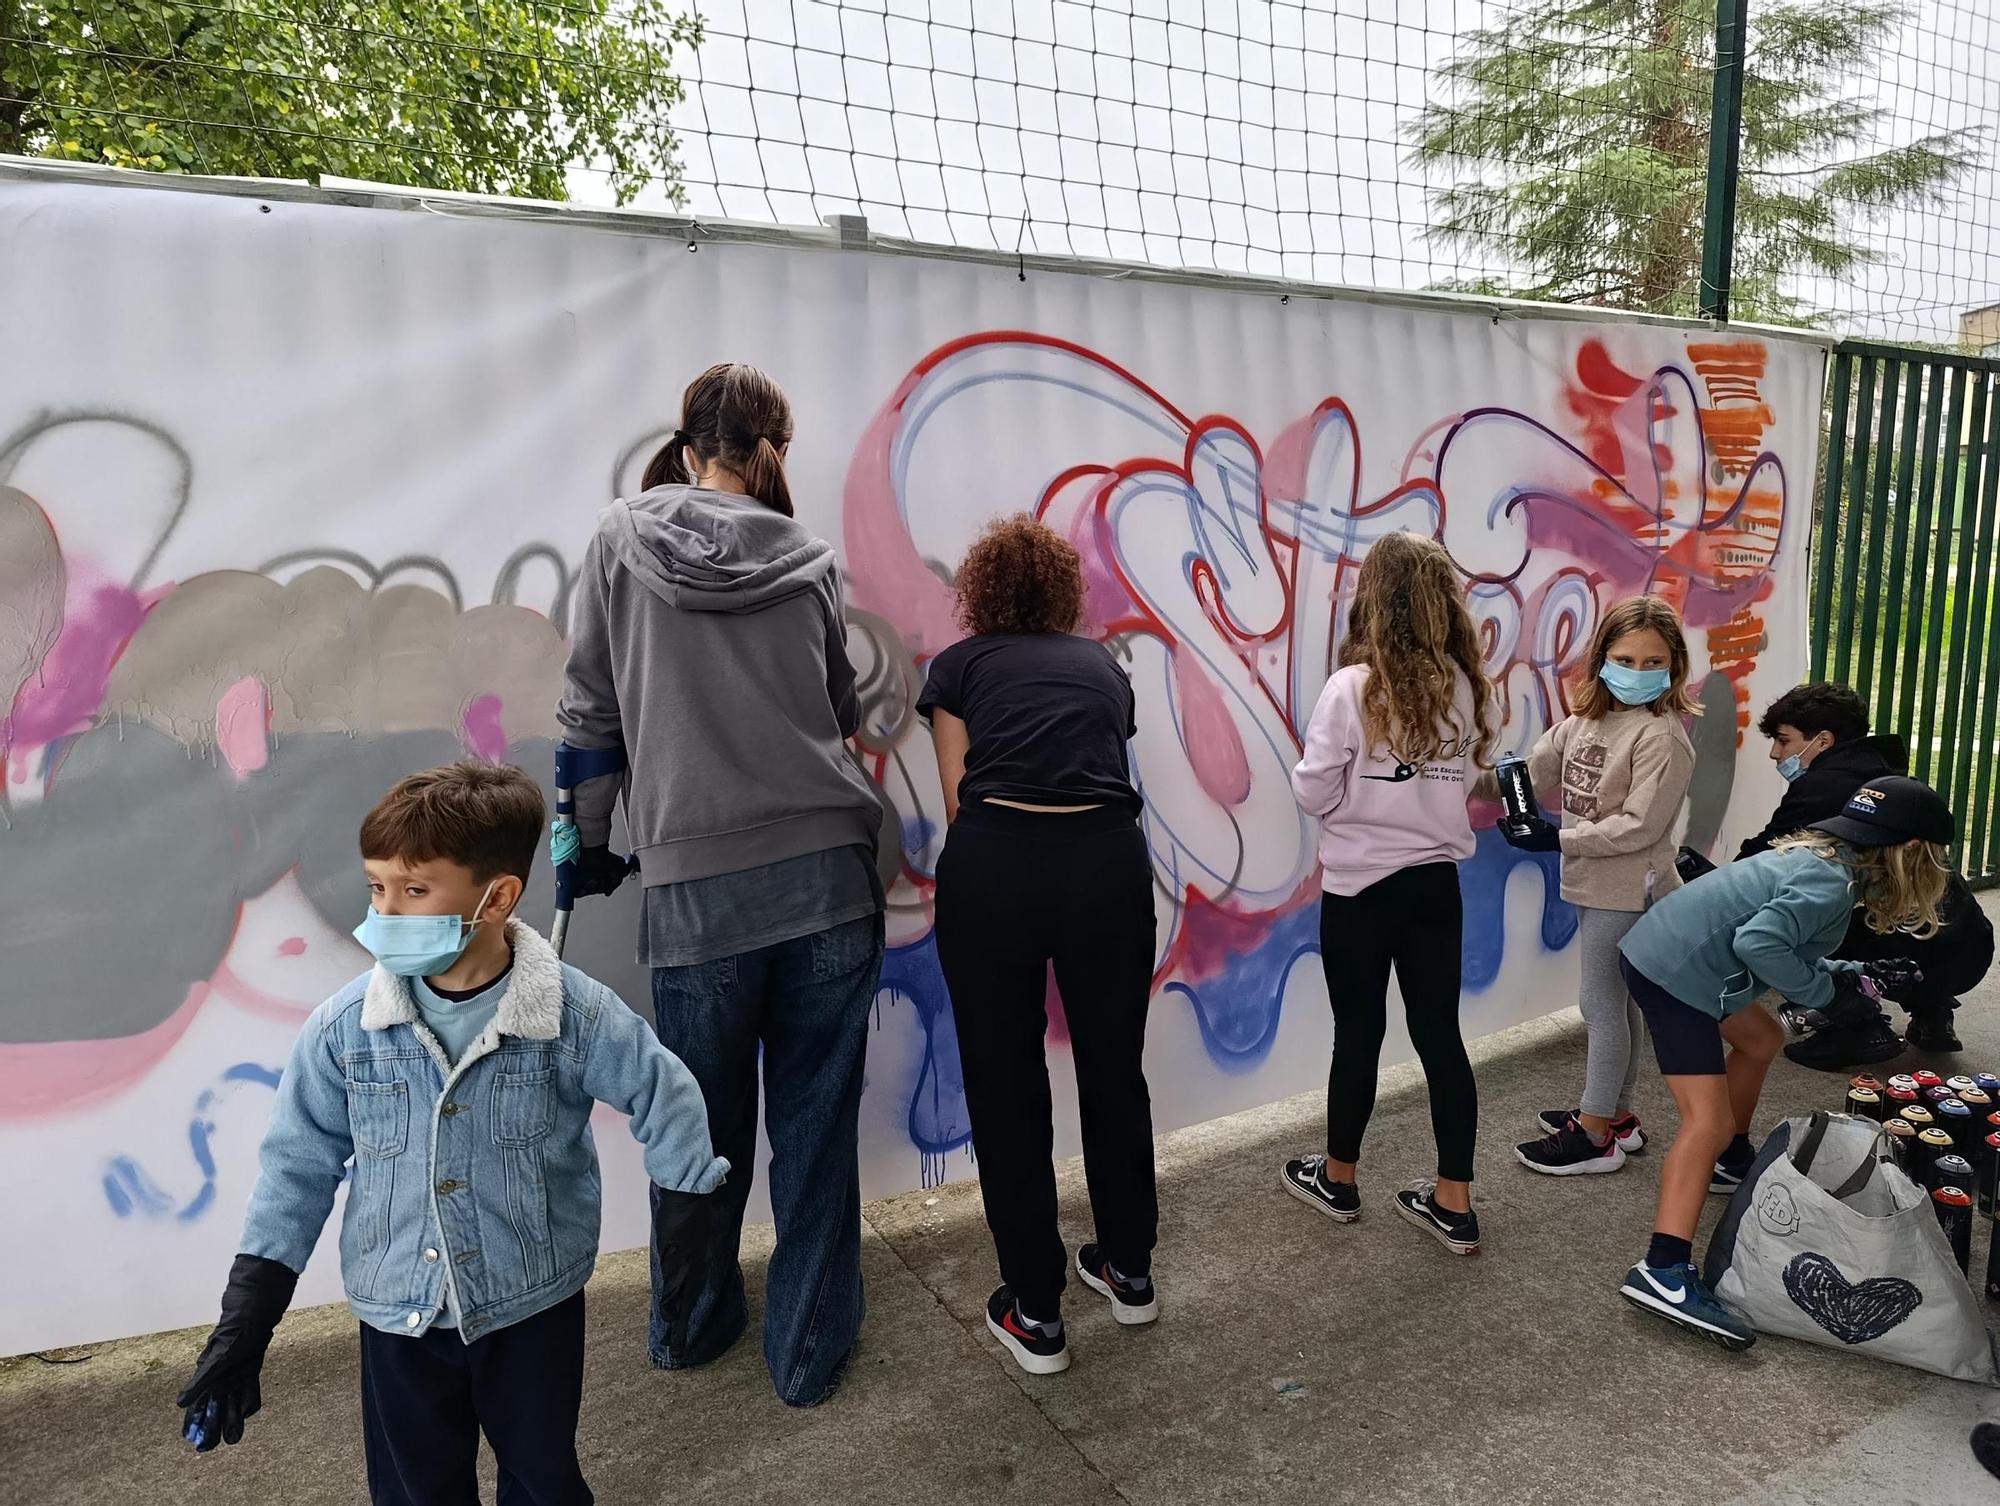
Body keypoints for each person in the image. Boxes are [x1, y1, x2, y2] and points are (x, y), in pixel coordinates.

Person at [174, 762, 727, 1503]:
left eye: (414, 890)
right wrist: (247, 1320)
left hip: (532, 1306)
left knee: (543, 1482)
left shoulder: (575, 1014)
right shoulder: (344, 1033)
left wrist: (689, 1226)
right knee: (415, 1491)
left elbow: (667, 1094)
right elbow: (295, 1169)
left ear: (496, 897)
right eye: (377, 888)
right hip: (397, 1315)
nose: (384, 912)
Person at [556, 362, 887, 1407]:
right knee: (814, 1128)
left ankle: (690, 1330)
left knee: (692, 1131)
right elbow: (839, 704)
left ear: (687, 443)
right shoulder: (812, 556)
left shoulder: (617, 538)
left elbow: (587, 720)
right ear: (770, 448)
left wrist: (588, 852)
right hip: (829, 878)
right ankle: (807, 1353)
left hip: (696, 889)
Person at [921, 516, 1159, 1376]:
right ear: (1062, 594)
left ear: (980, 593)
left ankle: (1036, 1313)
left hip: (999, 867)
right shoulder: (1102, 666)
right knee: (1112, 1067)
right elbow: (1102, 765)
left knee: (1007, 1084)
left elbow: (960, 799)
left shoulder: (958, 668)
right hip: (1107, 864)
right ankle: (1130, 1273)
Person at [1615, 775, 1953, 1348]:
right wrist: (1828, 998)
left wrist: (1855, 976)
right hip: (1676, 976)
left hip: (1672, 955)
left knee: (1762, 1039)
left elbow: (1775, 943)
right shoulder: (1827, 885)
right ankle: (1663, 1270)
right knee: (1706, 1120)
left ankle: (1729, 1160)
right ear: (1913, 854)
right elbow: (1759, 947)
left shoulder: (1824, 864)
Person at [1280, 531, 1497, 1254]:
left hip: (1359, 891)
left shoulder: (1351, 688)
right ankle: (1454, 1203)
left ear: (1374, 599)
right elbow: (1461, 783)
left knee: (1360, 1035)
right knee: (1440, 1038)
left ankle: (1338, 1180)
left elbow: (1313, 792)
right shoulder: (1464, 689)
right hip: (1436, 888)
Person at [1491, 596, 1696, 1176]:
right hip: (1592, 881)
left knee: (1599, 1005)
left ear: (1673, 666)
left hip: (1631, 888)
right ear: (1602, 657)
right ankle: (1618, 1114)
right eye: (1625, 657)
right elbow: (1530, 774)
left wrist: (1556, 838)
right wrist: (1451, 776)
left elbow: (1641, 826)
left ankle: (1595, 1134)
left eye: (1652, 661)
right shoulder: (1583, 724)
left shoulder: (1663, 737)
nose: (1637, 671)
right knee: (1618, 1005)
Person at [1736, 682, 1991, 1063]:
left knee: (1814, 905)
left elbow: (1762, 861)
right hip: (1969, 950)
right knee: (1885, 889)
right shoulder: (1882, 773)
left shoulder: (1823, 787)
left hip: (1907, 949)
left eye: (1783, 740)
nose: (1775, 753)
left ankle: (1859, 1025)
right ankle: (1932, 1012)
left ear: (1822, 741)